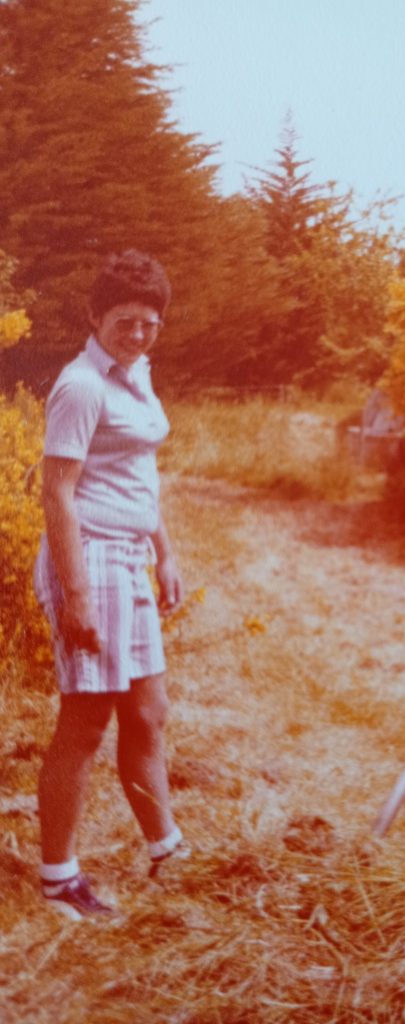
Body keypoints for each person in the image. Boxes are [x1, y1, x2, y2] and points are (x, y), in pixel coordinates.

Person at [34, 250, 187, 919]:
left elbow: (139, 476)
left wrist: (166, 551)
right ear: (95, 316)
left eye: (150, 321)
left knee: (148, 712)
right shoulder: (81, 386)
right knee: (86, 721)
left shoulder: (136, 375)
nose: (138, 332)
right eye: (125, 320)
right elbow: (57, 494)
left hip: (131, 557)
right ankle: (58, 876)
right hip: (88, 559)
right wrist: (76, 596)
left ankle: (167, 849)